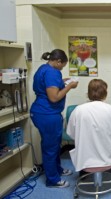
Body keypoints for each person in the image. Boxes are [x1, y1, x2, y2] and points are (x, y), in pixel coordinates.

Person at [30, 49, 78, 188]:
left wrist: (63, 81)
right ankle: (53, 180)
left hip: (43, 112)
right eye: (62, 65)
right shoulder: (52, 72)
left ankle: (57, 170)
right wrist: (69, 86)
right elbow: (54, 97)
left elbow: (48, 86)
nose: (62, 67)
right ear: (58, 61)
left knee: (54, 144)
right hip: (47, 114)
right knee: (50, 147)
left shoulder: (44, 68)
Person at [66, 79, 111, 175]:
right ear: (105, 93)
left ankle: (84, 176)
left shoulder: (78, 110)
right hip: (108, 163)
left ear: (88, 93)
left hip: (84, 164)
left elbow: (71, 134)